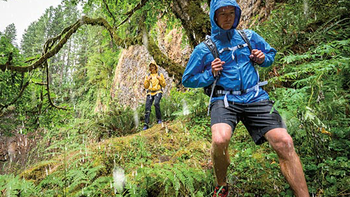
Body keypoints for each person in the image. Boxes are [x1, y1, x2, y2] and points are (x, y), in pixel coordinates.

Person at [182, 0, 309, 196]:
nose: (227, 17)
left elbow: (270, 55)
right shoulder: (204, 49)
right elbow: (188, 79)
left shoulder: (248, 36)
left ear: (237, 14)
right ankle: (221, 184)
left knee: (284, 141)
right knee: (220, 139)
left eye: (231, 13)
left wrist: (262, 58)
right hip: (223, 100)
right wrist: (210, 73)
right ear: (214, 16)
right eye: (222, 13)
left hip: (255, 97)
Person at [143, 61, 166, 130]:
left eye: (153, 66)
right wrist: (147, 80)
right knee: (147, 108)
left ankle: (159, 119)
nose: (152, 67)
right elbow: (146, 86)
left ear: (156, 67)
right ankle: (146, 124)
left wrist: (160, 79)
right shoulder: (148, 76)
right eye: (151, 66)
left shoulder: (159, 75)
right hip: (150, 92)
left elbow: (164, 85)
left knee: (156, 103)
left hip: (158, 91)